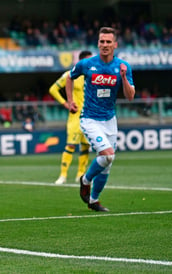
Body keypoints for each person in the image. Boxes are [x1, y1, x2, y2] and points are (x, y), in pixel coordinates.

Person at [66, 27, 135, 211]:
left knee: (107, 164)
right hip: (89, 118)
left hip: (109, 120)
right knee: (108, 155)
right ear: (98, 43)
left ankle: (93, 201)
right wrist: (70, 101)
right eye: (102, 41)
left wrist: (123, 78)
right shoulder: (87, 64)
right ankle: (85, 180)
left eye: (108, 42)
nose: (105, 45)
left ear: (115, 44)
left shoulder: (123, 67)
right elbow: (69, 77)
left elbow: (130, 96)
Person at [49, 50, 92, 185]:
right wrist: (66, 104)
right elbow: (53, 89)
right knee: (71, 146)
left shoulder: (93, 76)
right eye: (89, 61)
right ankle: (63, 175)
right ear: (82, 61)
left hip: (90, 118)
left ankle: (80, 174)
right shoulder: (71, 74)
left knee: (85, 146)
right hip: (75, 117)